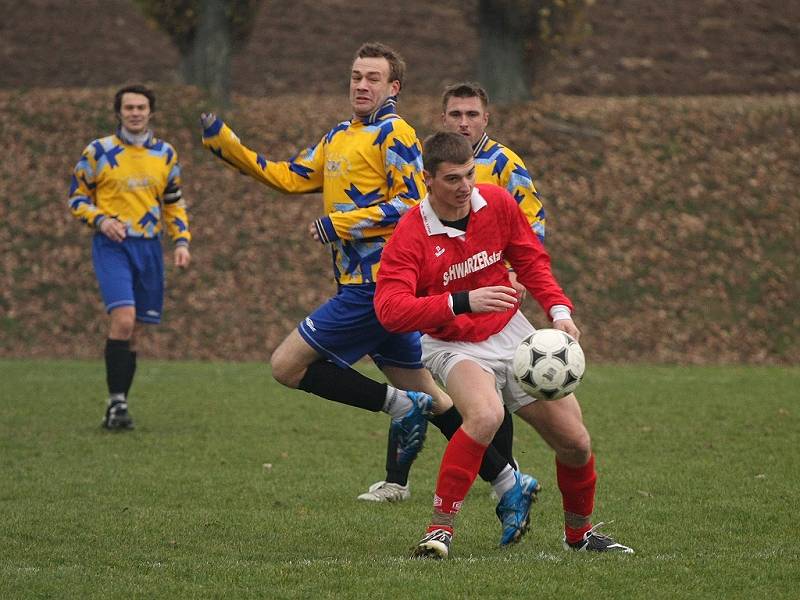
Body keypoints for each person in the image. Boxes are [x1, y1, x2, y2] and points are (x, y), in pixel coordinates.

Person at [201, 43, 537, 546]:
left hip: (378, 285)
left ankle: (397, 408)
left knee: (286, 366)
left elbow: (410, 202)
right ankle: (511, 482)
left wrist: (342, 223)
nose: (362, 85)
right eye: (356, 76)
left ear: (393, 87)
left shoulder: (394, 132)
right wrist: (228, 147)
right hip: (362, 287)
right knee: (440, 402)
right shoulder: (339, 136)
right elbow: (290, 177)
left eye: (373, 78)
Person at [374, 131, 634, 559]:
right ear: (427, 179)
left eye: (469, 175)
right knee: (485, 414)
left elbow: (531, 259)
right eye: (453, 179)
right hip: (452, 344)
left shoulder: (495, 203)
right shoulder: (410, 235)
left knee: (576, 442)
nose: (465, 187)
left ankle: (580, 537)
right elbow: (390, 310)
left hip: (512, 334)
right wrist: (462, 301)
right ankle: (439, 531)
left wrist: (560, 311)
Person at [360, 81, 546, 504]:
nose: (464, 122)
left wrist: (516, 273)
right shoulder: (432, 161)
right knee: (426, 382)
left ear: (487, 118)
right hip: (431, 294)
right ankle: (405, 479)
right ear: (443, 119)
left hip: (490, 303)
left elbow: (530, 226)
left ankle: (503, 476)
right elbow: (416, 216)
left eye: (472, 115)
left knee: (486, 395)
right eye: (456, 115)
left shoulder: (504, 164)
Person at [68, 84, 192, 430]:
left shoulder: (165, 154)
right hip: (113, 247)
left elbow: (173, 202)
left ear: (150, 112)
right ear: (118, 112)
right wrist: (102, 220)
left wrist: (181, 241)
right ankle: (117, 404)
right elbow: (76, 198)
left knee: (136, 330)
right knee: (123, 319)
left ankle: (117, 406)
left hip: (150, 248)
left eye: (141, 107)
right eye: (129, 108)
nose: (135, 113)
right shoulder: (98, 152)